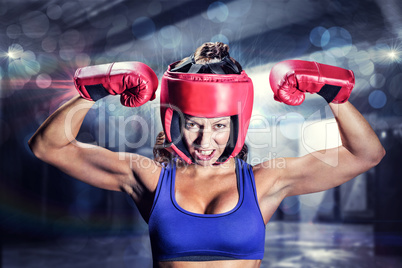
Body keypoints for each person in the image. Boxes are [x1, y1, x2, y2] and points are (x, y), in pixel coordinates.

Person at [28, 42, 385, 268]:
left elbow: (365, 154)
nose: (204, 140)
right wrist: (92, 92)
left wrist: (333, 96)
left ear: (237, 125)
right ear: (172, 121)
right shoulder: (150, 177)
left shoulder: (265, 180)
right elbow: (48, 147)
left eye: (218, 126)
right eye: (193, 124)